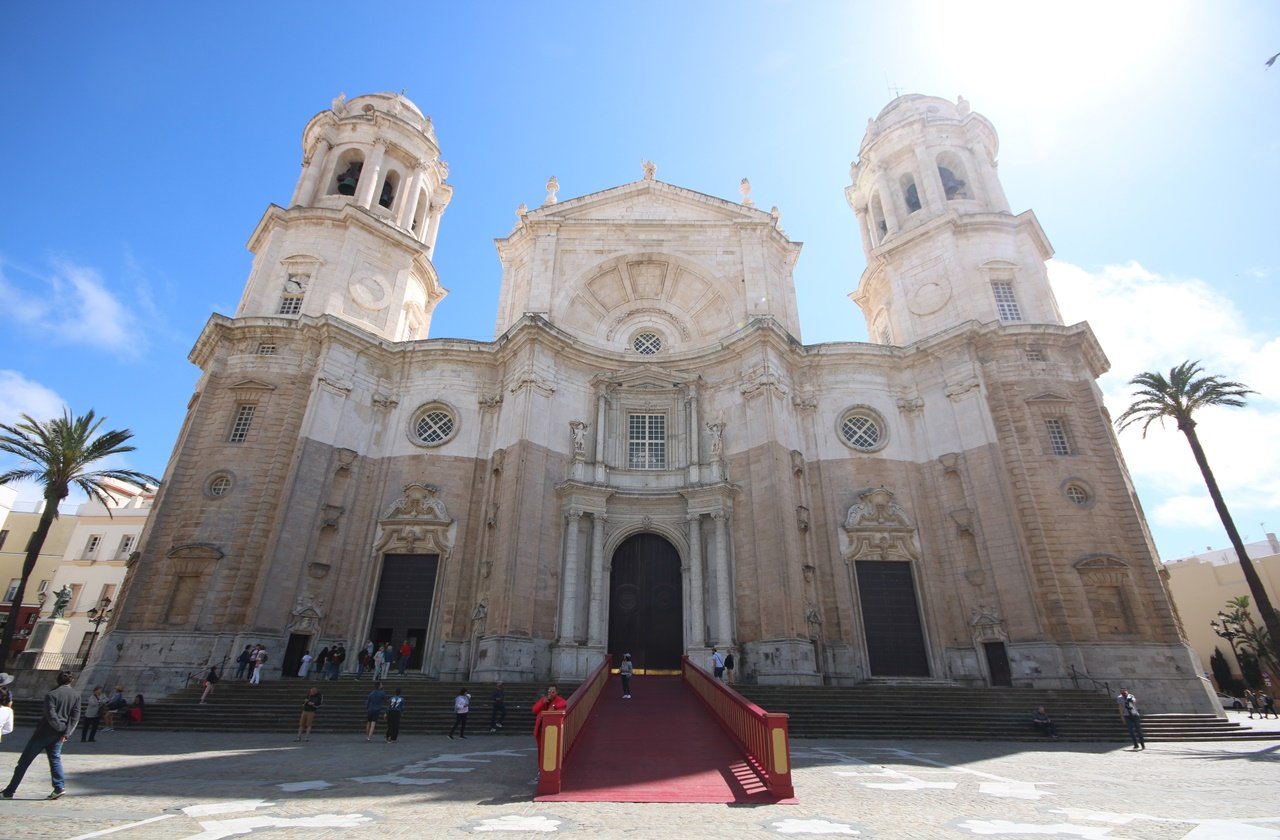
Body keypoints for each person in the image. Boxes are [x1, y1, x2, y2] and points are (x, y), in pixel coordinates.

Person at [1, 671, 81, 800]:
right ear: (71, 681)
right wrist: (66, 733)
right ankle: (59, 787)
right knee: (55, 760)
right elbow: (75, 716)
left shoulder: (51, 694)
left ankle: (9, 791)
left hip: (44, 732)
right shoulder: (76, 695)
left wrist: (59, 728)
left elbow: (51, 715)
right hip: (60, 734)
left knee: (24, 762)